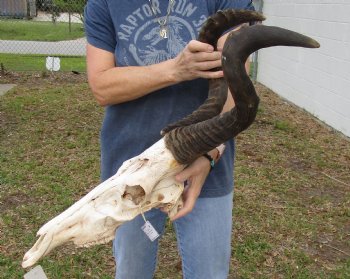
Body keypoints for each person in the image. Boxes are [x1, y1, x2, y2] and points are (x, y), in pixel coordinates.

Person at [84, 1, 255, 278]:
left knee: (208, 274)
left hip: (204, 165)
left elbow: (237, 73)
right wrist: (176, 70)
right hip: (130, 169)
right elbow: (102, 86)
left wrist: (209, 152)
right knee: (131, 272)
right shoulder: (103, 3)